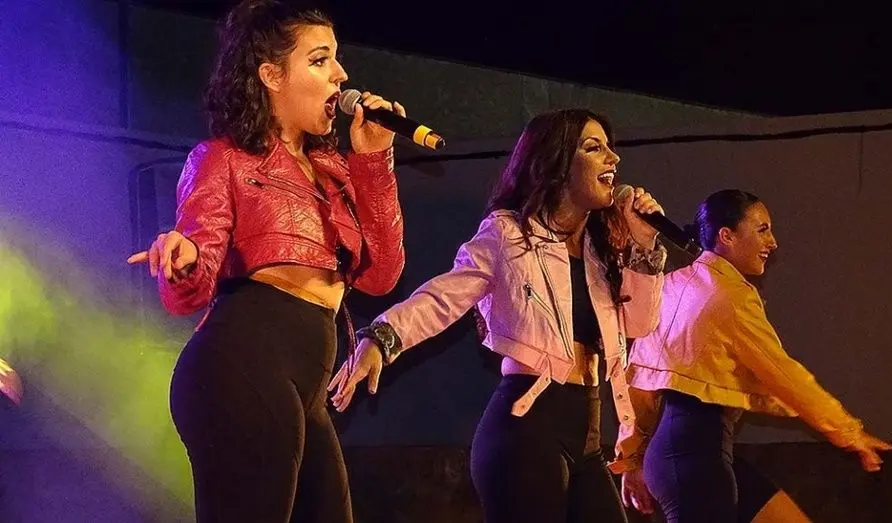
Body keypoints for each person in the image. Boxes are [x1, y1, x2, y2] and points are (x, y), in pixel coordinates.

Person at [126, 1, 408, 521]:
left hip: (304, 383)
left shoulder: (332, 170)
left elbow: (381, 274)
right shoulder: (223, 158)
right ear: (272, 75)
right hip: (242, 361)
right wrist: (184, 258)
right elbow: (190, 286)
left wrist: (373, 162)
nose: (341, 75)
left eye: (336, 58)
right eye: (320, 60)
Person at [329, 108, 667, 522]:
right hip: (526, 430)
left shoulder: (600, 254)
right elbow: (444, 297)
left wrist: (644, 248)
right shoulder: (509, 233)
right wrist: (382, 337)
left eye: (610, 148)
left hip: (588, 435)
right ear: (557, 162)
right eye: (593, 148)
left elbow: (640, 325)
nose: (613, 158)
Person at [620, 189, 892, 522]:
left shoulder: (669, 286)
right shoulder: (730, 296)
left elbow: (637, 385)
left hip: (680, 454)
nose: (773, 242)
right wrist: (848, 431)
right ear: (727, 236)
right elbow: (786, 377)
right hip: (696, 458)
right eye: (762, 229)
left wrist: (634, 458)